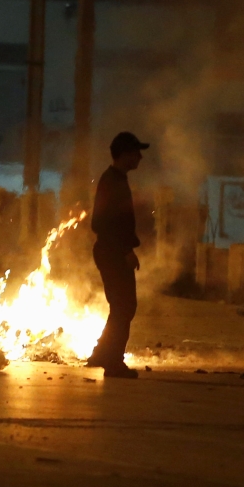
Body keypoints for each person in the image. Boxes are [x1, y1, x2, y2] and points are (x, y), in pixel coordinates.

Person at [85, 132, 149, 378]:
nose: (140, 157)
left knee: (119, 306)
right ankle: (113, 362)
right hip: (112, 252)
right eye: (136, 152)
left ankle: (102, 353)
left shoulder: (116, 179)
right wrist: (125, 251)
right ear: (124, 154)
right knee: (125, 306)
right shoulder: (112, 181)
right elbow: (103, 222)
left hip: (111, 250)